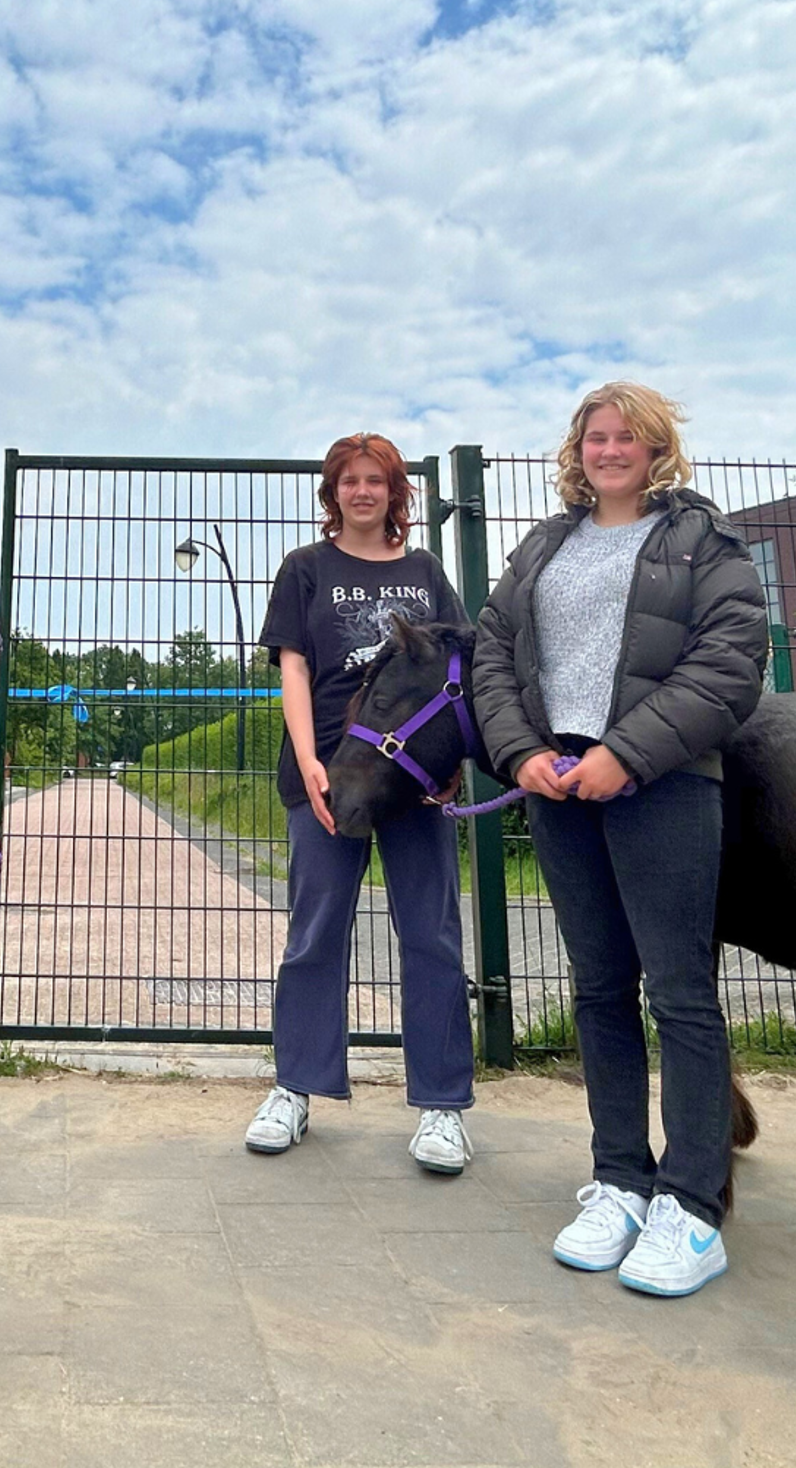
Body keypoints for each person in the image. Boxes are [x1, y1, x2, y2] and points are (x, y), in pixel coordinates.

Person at [473, 384, 768, 1297]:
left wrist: (626, 755)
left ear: (656, 450)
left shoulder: (703, 542)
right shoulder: (544, 545)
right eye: (595, 437)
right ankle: (619, 1181)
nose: (609, 450)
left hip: (664, 785)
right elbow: (492, 655)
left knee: (680, 995)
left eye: (627, 437)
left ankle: (692, 1206)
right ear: (578, 449)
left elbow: (730, 660)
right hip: (559, 788)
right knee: (599, 990)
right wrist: (520, 754)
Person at [246, 433, 476, 1173]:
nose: (363, 492)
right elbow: (293, 668)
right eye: (350, 481)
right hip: (330, 776)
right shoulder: (305, 569)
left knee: (432, 936)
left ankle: (442, 1106)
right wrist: (309, 759)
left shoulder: (425, 571)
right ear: (332, 493)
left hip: (414, 783)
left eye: (377, 480)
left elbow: (459, 673)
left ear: (396, 493)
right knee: (315, 933)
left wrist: (453, 767)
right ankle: (295, 1089)